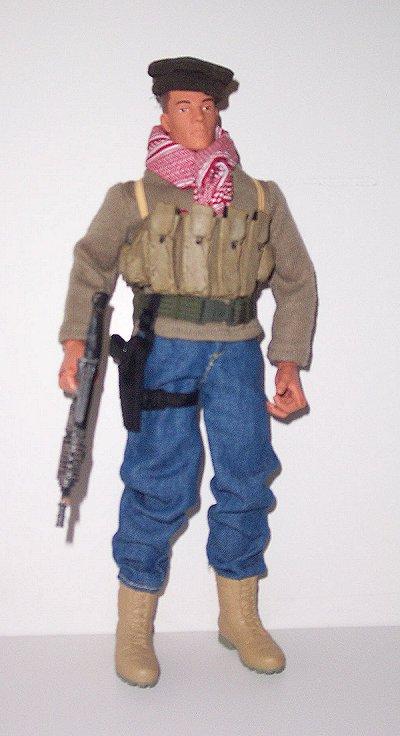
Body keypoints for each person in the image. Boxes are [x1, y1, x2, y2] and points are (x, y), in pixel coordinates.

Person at [58, 56, 317, 687]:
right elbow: (92, 267)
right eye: (183, 106)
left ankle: (240, 616)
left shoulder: (259, 196)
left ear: (219, 111)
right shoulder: (134, 198)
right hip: (165, 352)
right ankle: (134, 626)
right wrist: (73, 344)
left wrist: (288, 360)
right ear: (163, 113)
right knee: (158, 483)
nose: (197, 117)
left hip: (238, 350)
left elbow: (296, 279)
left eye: (206, 106)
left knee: (247, 477)